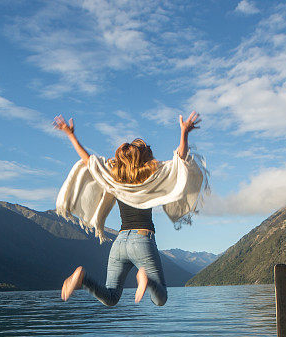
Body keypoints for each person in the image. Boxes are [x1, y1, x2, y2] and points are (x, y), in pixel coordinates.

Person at [54, 111, 205, 306]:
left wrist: (70, 134)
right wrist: (184, 132)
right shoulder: (152, 176)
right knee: (160, 299)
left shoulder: (114, 178)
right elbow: (179, 160)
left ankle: (82, 279)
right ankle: (146, 279)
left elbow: (89, 161)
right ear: (145, 157)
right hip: (142, 240)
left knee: (110, 297)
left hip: (119, 243)